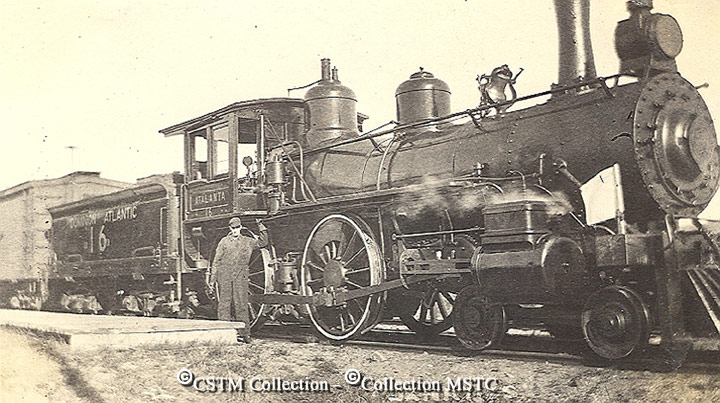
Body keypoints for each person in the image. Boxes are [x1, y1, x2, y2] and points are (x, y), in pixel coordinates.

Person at [210, 217, 268, 327]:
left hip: (240, 275)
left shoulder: (247, 241)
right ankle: (224, 330)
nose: (235, 230)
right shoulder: (224, 241)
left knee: (241, 303)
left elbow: (263, 242)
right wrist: (212, 280)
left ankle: (244, 332)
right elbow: (216, 261)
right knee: (224, 303)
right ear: (230, 228)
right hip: (224, 274)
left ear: (240, 227)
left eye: (237, 227)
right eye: (233, 228)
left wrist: (260, 225)